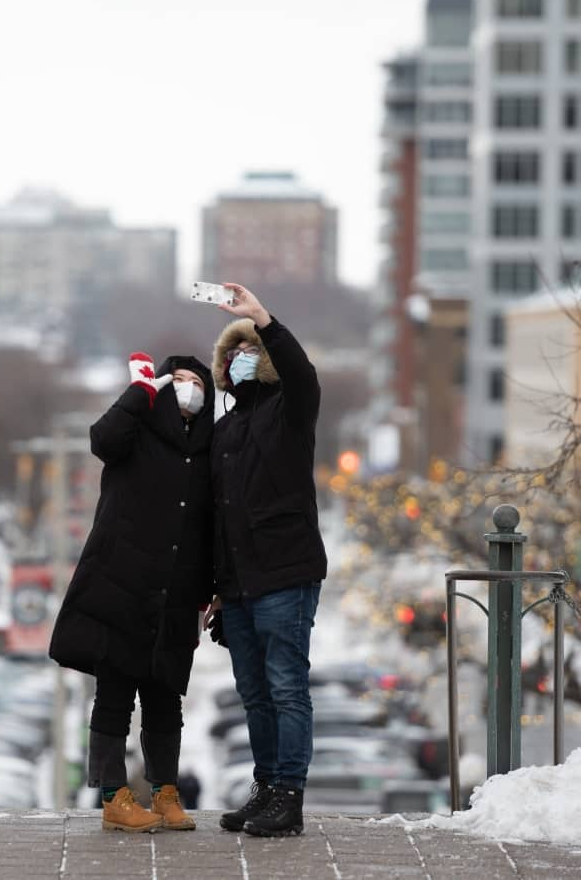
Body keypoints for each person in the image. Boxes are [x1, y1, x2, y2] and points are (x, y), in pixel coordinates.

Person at [49, 350, 215, 833]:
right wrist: (142, 390)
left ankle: (165, 792)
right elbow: (102, 439)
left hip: (177, 593)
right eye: (178, 379)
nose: (188, 388)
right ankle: (113, 797)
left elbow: (211, 525)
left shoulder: (208, 447)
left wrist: (210, 588)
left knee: (166, 700)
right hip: (123, 584)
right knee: (115, 693)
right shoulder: (138, 428)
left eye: (196, 381)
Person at [204, 283, 327, 838]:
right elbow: (216, 515)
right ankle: (265, 786)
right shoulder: (224, 430)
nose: (240, 358)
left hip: (285, 574)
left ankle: (288, 796)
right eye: (232, 353)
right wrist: (214, 588)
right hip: (238, 583)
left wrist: (264, 320)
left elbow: (304, 377)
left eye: (250, 349)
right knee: (254, 695)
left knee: (285, 687)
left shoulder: (289, 411)